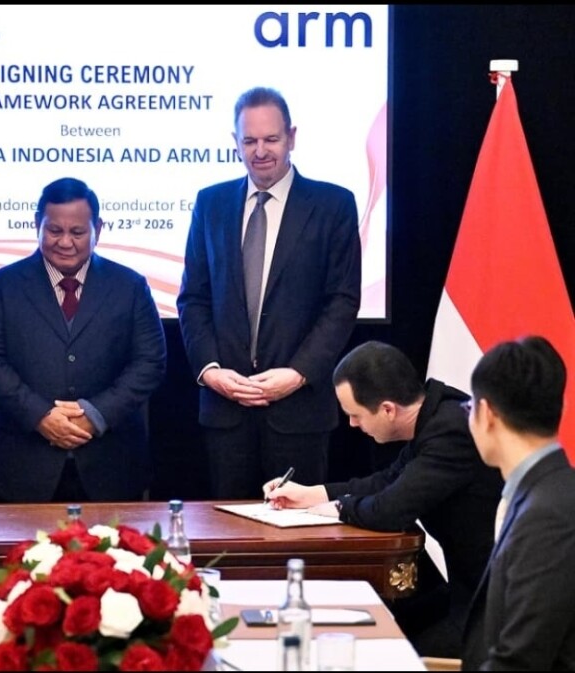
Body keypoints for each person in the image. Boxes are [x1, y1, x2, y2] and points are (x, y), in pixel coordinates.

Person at [177, 85, 361, 499]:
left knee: (295, 527)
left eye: (271, 139)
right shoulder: (210, 204)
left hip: (299, 412)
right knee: (228, 532)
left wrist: (298, 374)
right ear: (235, 142)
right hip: (226, 411)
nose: (260, 151)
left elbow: (342, 300)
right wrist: (210, 371)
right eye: (249, 141)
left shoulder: (333, 205)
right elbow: (194, 298)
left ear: (291, 137)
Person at [263, 341, 502, 657]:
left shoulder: (450, 432)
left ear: (388, 409)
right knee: (387, 622)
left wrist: (338, 508)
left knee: (396, 651)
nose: (352, 424)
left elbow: (390, 510)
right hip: (468, 592)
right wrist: (311, 494)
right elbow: (387, 481)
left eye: (356, 415)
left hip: (495, 607)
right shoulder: (435, 416)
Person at [0, 177, 166, 502]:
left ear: (98, 229)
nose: (65, 242)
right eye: (54, 231)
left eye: (77, 232)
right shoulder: (2, 286)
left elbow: (149, 363)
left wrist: (95, 415)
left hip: (113, 466)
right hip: (26, 466)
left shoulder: (130, 286)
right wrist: (40, 416)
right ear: (37, 224)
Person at [461, 336, 575, 670]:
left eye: (469, 408)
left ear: (487, 414)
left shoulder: (548, 513)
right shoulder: (547, 489)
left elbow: (522, 660)